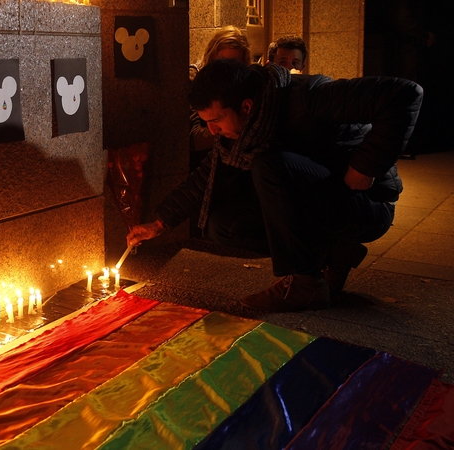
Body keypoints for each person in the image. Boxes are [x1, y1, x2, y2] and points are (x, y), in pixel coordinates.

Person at [127, 59, 422, 312]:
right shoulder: (244, 132)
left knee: (269, 165)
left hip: (364, 203)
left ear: (246, 105)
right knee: (223, 225)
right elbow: (205, 178)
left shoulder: (306, 98)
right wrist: (159, 223)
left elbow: (404, 94)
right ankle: (332, 250)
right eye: (206, 122)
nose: (212, 131)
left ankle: (305, 283)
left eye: (216, 120)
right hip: (320, 201)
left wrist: (366, 166)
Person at [189, 26, 252, 166]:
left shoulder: (244, 86)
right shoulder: (197, 83)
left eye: (234, 64)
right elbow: (194, 138)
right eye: (222, 63)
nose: (226, 71)